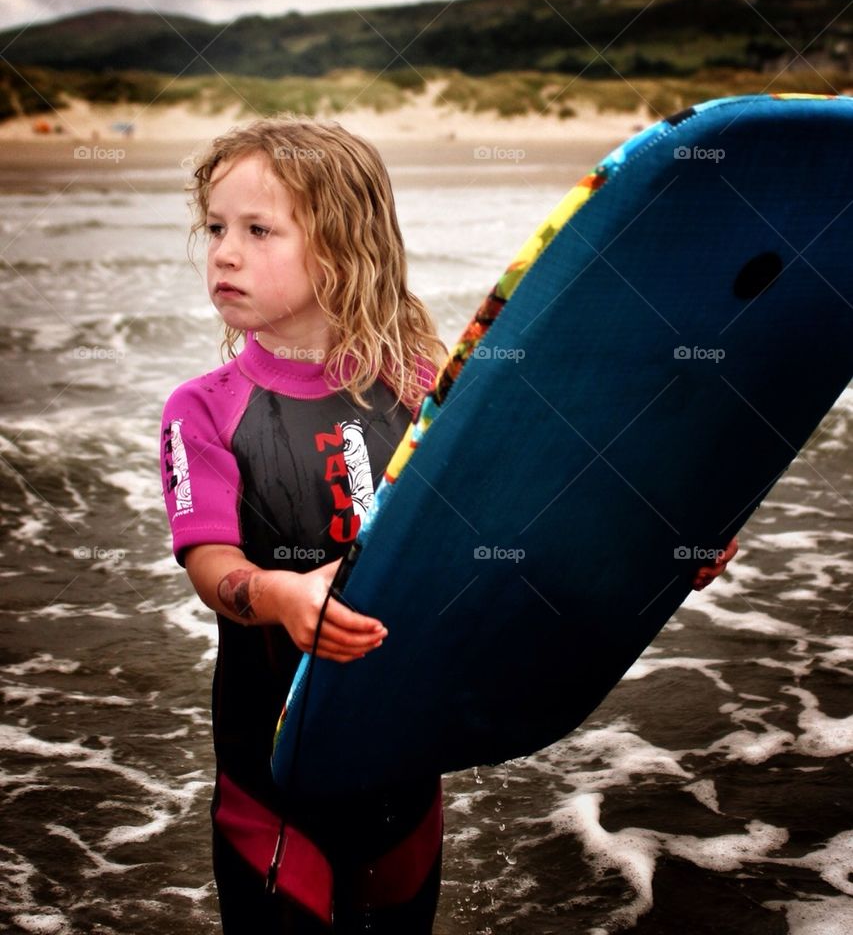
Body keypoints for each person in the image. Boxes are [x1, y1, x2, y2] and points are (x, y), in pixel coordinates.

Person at [158, 114, 737, 933]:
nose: (222, 251)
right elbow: (210, 563)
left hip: (404, 764)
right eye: (215, 228)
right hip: (270, 775)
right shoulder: (204, 409)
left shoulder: (426, 386)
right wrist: (281, 594)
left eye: (258, 230)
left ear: (342, 244)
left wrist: (662, 548)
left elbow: (528, 519)